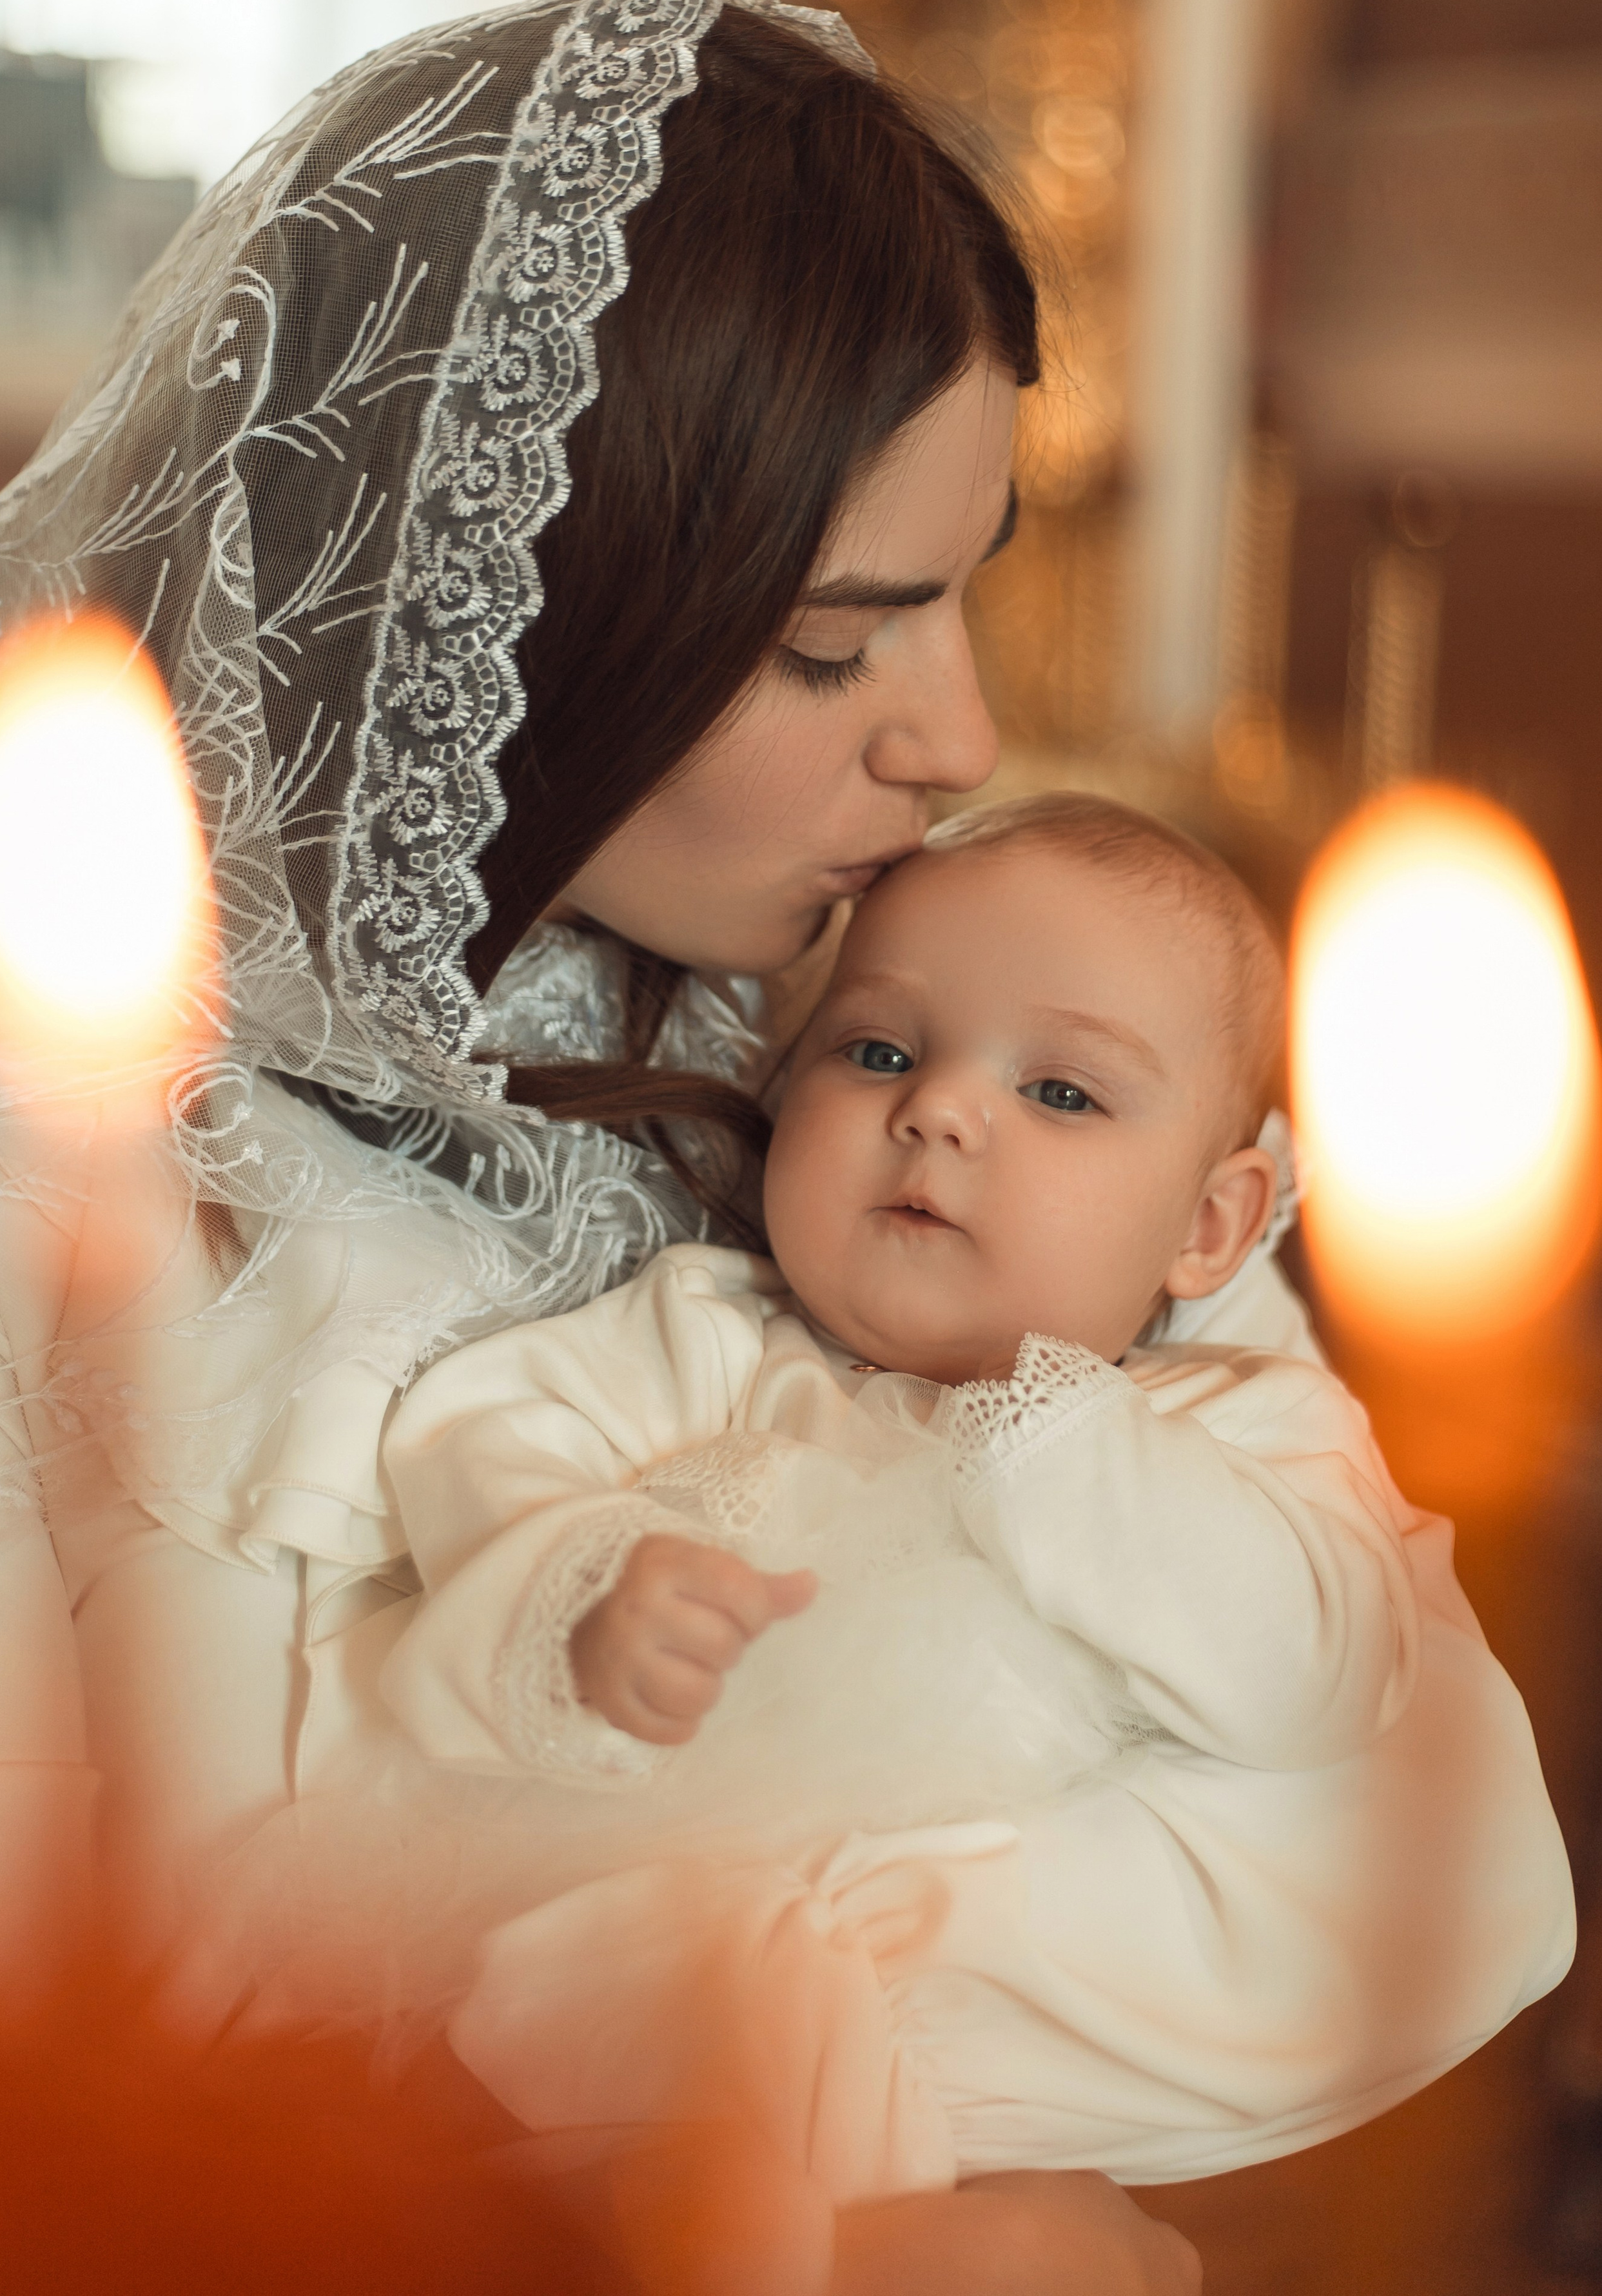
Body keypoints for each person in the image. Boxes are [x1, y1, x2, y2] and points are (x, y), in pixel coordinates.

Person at [0, 0, 1207, 2293]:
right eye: (839, 646)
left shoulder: (796, 1019)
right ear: (518, 623)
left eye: (966, 597)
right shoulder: (34, 1184)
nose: (961, 732)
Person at [224, 794, 1567, 2203]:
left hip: (1019, 2010)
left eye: (1060, 1092)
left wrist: (1056, 1425)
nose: (934, 1107)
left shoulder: (1244, 1423)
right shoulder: (702, 1337)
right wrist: (586, 1591)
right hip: (639, 1990)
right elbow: (483, 1446)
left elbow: (1321, 1675)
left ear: (1207, 1226)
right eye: (875, 1052)